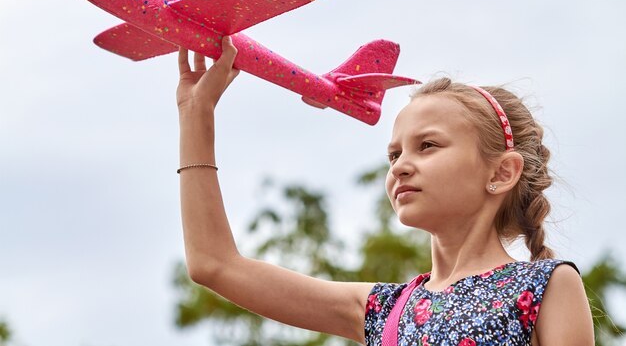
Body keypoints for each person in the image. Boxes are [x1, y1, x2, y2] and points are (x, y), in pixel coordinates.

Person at [176, 36, 594, 346]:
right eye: (393, 155)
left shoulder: (545, 285)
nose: (401, 167)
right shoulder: (384, 310)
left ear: (502, 173)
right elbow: (214, 264)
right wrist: (196, 115)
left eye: (427, 146)